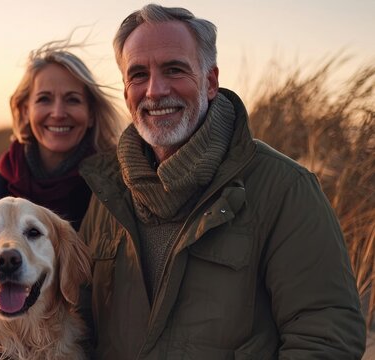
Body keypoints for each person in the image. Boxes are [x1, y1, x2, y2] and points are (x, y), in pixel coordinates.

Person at [78, 4, 366, 359]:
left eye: (174, 69)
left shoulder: (285, 189)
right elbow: (77, 324)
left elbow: (325, 334)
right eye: (138, 75)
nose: (154, 90)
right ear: (126, 93)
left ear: (210, 82)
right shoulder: (107, 194)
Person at [0, 40, 124, 328]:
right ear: (24, 111)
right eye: (44, 99)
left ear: (90, 115)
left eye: (73, 99)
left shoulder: (112, 191)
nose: (58, 112)